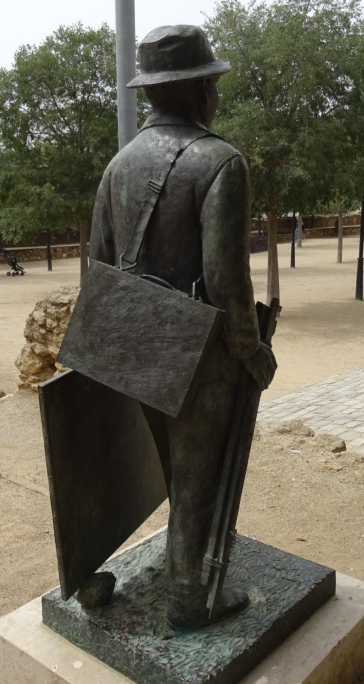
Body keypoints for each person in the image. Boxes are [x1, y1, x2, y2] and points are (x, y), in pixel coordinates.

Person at [90, 25, 277, 631]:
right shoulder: (221, 162)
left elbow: (97, 267)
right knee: (197, 479)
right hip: (198, 352)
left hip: (130, 346)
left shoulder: (117, 166)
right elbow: (227, 281)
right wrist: (252, 354)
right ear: (200, 89)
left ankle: (185, 564)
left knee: (178, 476)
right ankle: (191, 599)